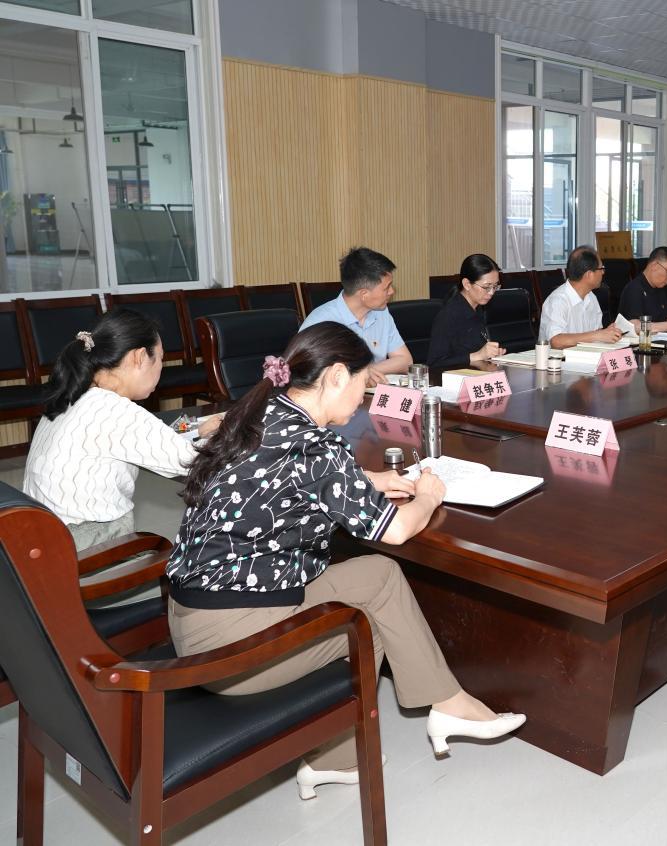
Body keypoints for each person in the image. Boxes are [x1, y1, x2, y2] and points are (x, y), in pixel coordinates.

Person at [166, 323, 525, 799]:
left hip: (193, 615)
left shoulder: (262, 412)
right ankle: (409, 722)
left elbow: (283, 478)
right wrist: (429, 495)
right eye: (363, 381)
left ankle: (368, 741)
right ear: (336, 376)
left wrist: (369, 480)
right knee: (369, 616)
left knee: (377, 583)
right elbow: (397, 530)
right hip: (229, 646)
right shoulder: (318, 447)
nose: (365, 394)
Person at [23, 309, 220, 550]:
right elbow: (192, 461)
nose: (161, 368)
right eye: (160, 359)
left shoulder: (73, 394)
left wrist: (197, 429)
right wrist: (229, 431)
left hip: (43, 535)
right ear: (139, 357)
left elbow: (147, 437)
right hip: (83, 540)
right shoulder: (113, 408)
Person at [300, 247, 411, 386]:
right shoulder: (321, 322)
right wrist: (363, 374)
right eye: (386, 288)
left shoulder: (381, 312)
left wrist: (367, 371)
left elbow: (405, 360)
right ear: (364, 294)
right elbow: (312, 377)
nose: (392, 291)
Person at [427, 253, 506, 372]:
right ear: (467, 284)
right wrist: (477, 355)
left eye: (495, 286)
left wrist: (491, 353)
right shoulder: (448, 315)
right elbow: (434, 363)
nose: (491, 292)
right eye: (486, 287)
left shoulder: (478, 308)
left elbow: (477, 349)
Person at [538, 245, 623, 349]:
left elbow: (593, 334)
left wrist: (606, 333)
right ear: (589, 274)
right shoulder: (558, 300)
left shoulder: (591, 297)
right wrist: (597, 335)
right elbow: (556, 341)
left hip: (584, 355)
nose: (603, 272)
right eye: (601, 268)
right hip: (559, 358)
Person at [618, 245, 667, 332]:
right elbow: (634, 325)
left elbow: (661, 319)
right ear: (654, 266)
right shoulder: (634, 289)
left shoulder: (659, 288)